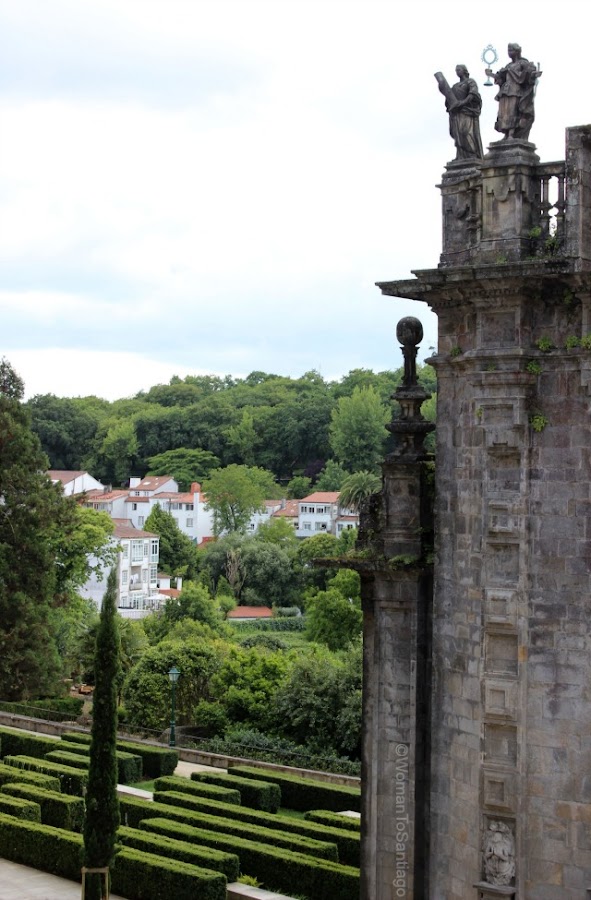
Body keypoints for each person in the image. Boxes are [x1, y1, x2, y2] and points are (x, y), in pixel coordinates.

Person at [485, 43, 541, 141]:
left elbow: (528, 74)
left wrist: (534, 75)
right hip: (505, 91)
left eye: (511, 50)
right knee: (504, 112)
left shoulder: (523, 63)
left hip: (515, 90)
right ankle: (506, 134)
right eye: (508, 50)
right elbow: (500, 78)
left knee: (512, 111)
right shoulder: (508, 65)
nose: (509, 53)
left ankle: (511, 133)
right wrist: (491, 74)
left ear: (517, 51)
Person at [435, 65, 483, 160]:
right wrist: (441, 85)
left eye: (459, 70)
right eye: (456, 70)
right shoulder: (455, 86)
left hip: (467, 112)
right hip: (457, 113)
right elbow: (448, 97)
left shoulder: (470, 82)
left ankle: (472, 154)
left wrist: (462, 103)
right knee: (457, 134)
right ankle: (460, 155)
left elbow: (473, 94)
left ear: (464, 71)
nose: (457, 71)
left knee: (465, 132)